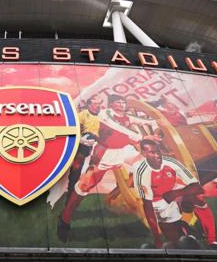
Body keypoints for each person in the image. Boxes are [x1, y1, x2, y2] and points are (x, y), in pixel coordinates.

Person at [58, 94, 158, 242]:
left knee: (147, 164)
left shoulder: (127, 117)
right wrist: (140, 137)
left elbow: (150, 121)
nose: (122, 104)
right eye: (118, 102)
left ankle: (153, 201)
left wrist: (156, 129)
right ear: (111, 104)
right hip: (105, 153)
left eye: (123, 102)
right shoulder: (105, 114)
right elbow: (117, 128)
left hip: (124, 151)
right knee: (84, 186)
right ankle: (65, 220)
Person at [133, 139, 217, 249]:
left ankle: (212, 241)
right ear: (144, 154)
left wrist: (176, 193)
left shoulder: (171, 162)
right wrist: (157, 238)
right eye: (152, 152)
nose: (157, 155)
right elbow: (148, 206)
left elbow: (198, 188)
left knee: (196, 198)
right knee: (180, 243)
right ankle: (186, 232)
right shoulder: (141, 172)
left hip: (173, 194)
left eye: (158, 151)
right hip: (158, 205)